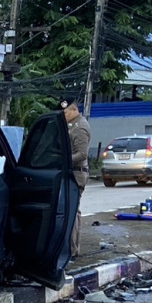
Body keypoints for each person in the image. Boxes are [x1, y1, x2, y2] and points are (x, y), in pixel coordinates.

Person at [60, 98, 90, 260]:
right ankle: (71, 248)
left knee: (72, 211)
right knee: (71, 211)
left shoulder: (80, 127)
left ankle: (72, 250)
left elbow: (82, 154)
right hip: (71, 173)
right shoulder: (71, 125)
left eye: (66, 112)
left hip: (77, 174)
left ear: (74, 110)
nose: (64, 115)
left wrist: (63, 160)